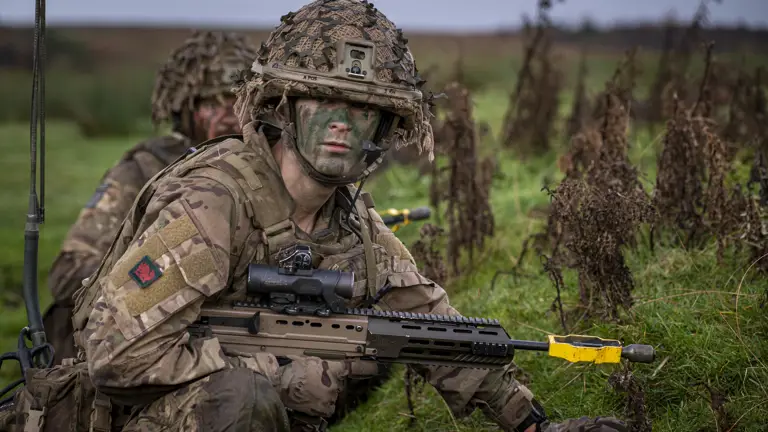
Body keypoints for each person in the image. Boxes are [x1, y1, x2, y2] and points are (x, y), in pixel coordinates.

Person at [66, 1, 630, 431]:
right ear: (286, 107)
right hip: (127, 416)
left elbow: (435, 330)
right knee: (241, 398)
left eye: (364, 110)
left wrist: (532, 424)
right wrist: (278, 373)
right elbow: (116, 355)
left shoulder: (356, 225)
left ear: (384, 129)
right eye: (326, 102)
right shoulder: (214, 203)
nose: (342, 123)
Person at [42, 30, 257, 364]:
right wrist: (161, 278)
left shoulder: (267, 171)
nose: (230, 114)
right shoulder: (146, 169)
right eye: (212, 104)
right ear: (185, 109)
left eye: (239, 102)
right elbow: (69, 273)